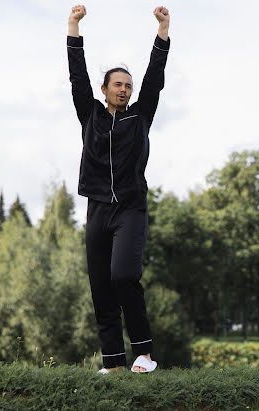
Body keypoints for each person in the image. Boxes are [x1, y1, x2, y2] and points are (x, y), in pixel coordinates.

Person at [67, 4, 170, 374]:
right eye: (118, 85)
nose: (124, 89)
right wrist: (73, 27)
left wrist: (162, 32)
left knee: (123, 276)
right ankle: (112, 363)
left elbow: (155, 77)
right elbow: (77, 77)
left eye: (128, 85)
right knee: (101, 287)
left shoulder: (140, 117)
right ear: (105, 89)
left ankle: (144, 354)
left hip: (130, 209)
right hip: (97, 209)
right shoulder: (90, 114)